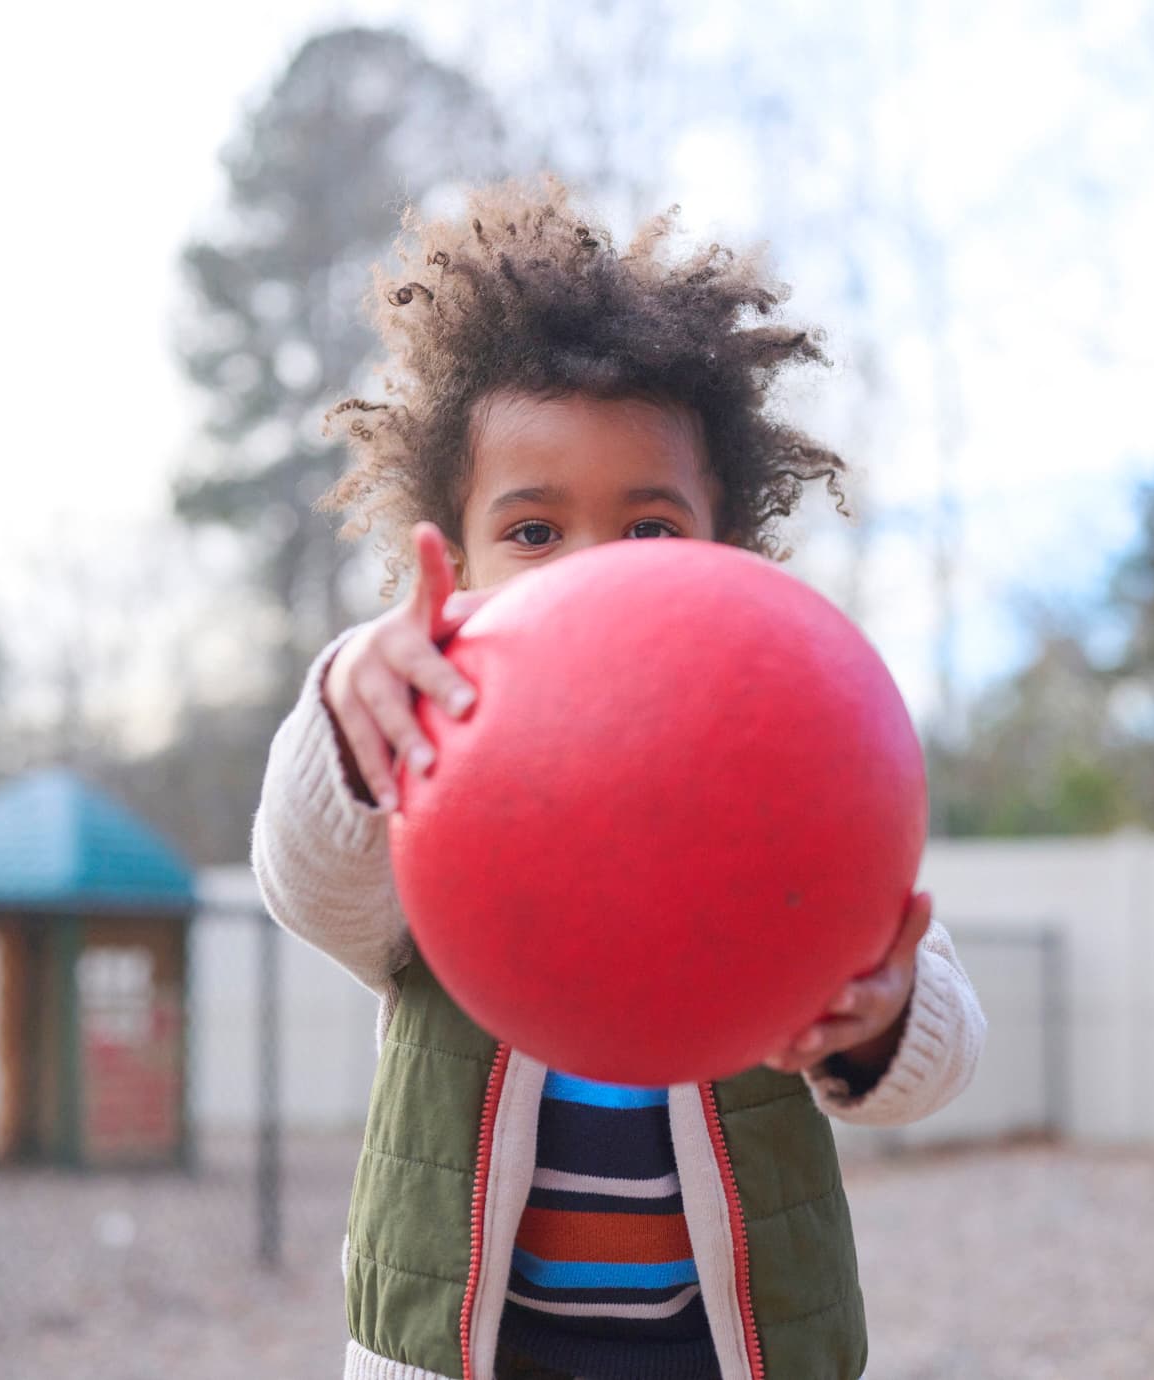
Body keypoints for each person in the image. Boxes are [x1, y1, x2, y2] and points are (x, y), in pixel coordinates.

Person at [253, 178, 986, 1380]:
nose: (595, 574)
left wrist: (879, 1018)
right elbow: (315, 889)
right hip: (474, 1354)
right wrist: (347, 719)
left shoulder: (782, 785)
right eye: (534, 532)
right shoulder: (423, 758)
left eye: (649, 531)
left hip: (724, 1350)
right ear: (453, 555)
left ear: (725, 552)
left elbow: (936, 1046)